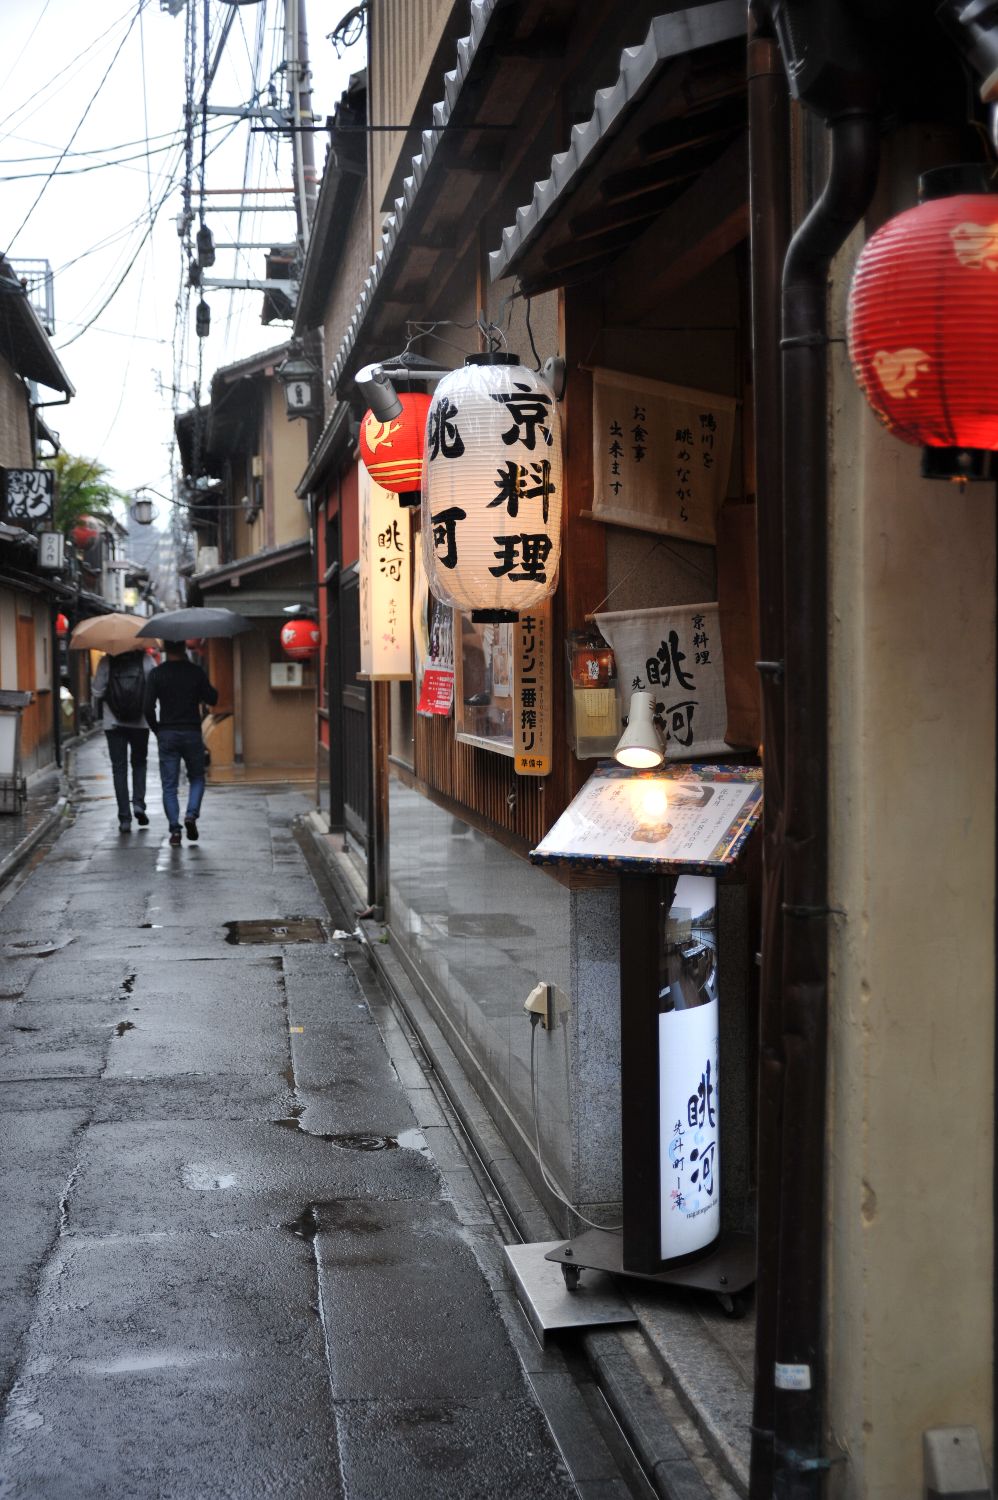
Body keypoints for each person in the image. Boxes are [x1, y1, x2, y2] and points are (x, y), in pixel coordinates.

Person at [144, 641, 218, 847]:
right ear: (183, 648)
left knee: (169, 785)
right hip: (192, 732)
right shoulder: (195, 672)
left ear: (166, 649)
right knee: (196, 777)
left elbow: (147, 707)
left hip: (167, 732)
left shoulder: (157, 674)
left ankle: (175, 831)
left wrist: (157, 730)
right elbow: (212, 698)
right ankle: (191, 815)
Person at [92, 649, 153, 833]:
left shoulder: (106, 662)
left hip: (113, 723)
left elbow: (97, 690)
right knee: (139, 764)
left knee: (119, 769)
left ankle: (124, 818)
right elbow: (153, 686)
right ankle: (139, 805)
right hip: (140, 721)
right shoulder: (146, 660)